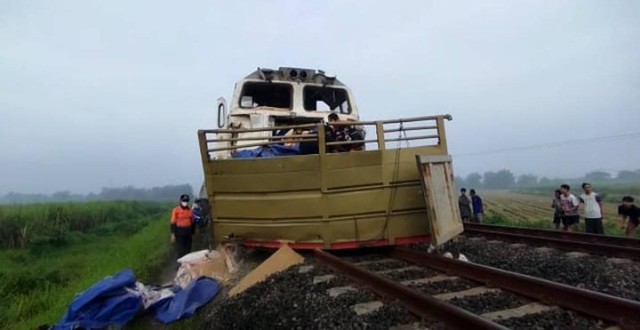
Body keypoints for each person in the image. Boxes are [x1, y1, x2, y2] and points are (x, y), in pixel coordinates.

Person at [171, 194, 195, 260]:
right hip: (179, 231)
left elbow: (192, 222)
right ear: (180, 201)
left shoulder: (190, 210)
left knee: (188, 248)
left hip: (188, 231)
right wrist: (173, 234)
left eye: (186, 201)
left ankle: (188, 263)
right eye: (184, 201)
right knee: (180, 249)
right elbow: (173, 223)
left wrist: (193, 232)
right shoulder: (176, 210)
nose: (185, 202)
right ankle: (180, 263)